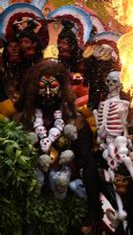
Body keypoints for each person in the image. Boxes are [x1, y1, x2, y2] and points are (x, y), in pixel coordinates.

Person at [14, 60, 103, 232]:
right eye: (42, 87)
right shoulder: (21, 121)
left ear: (62, 88)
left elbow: (88, 163)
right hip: (31, 204)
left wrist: (93, 211)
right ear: (33, 89)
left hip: (67, 202)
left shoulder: (76, 122)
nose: (48, 92)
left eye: (53, 86)